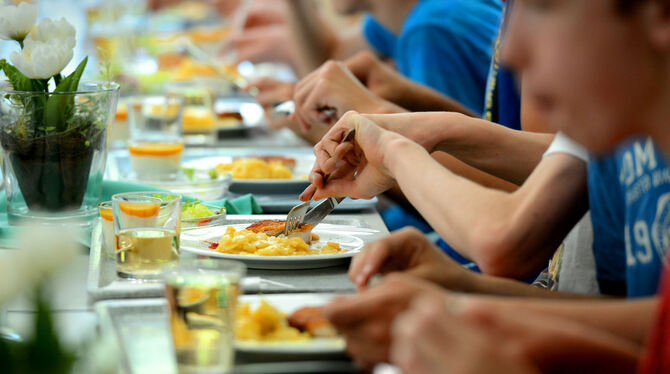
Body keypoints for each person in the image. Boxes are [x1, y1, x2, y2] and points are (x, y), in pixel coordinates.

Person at [309, 0, 670, 371]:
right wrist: (466, 292)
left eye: (544, 8)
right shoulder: (611, 121)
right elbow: (654, 328)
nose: (509, 51)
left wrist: (394, 149)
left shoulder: (436, 25)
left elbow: (504, 239)